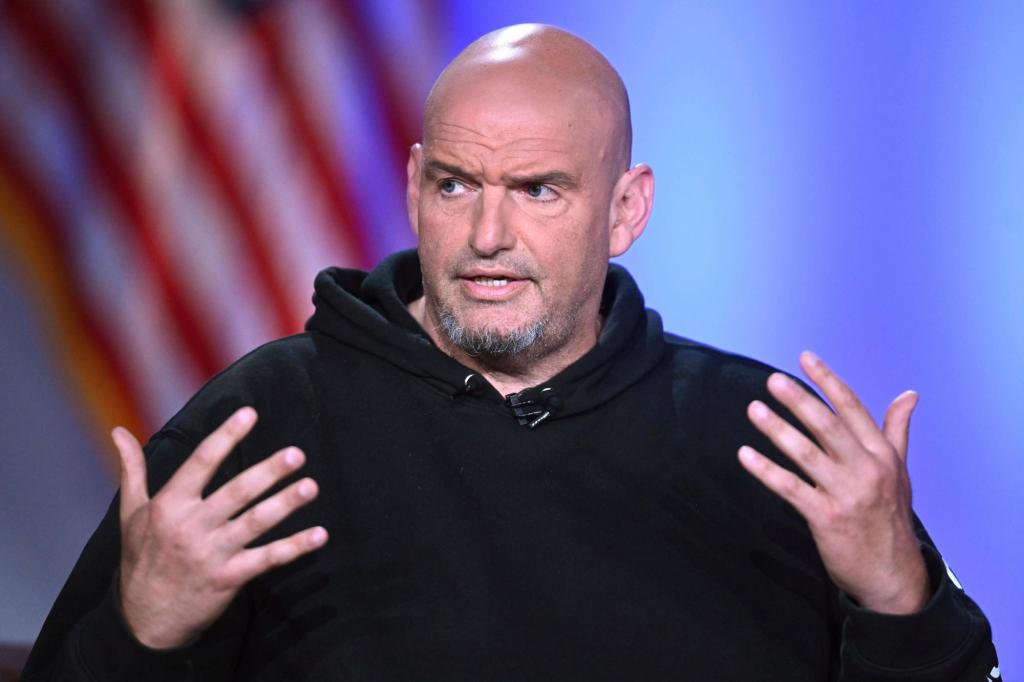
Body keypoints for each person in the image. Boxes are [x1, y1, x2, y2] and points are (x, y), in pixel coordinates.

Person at [23, 24, 998, 681]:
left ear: (626, 210)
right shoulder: (263, 424)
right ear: (414, 189)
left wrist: (896, 598)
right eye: (456, 186)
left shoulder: (767, 443)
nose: (487, 236)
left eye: (537, 190)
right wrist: (140, 633)